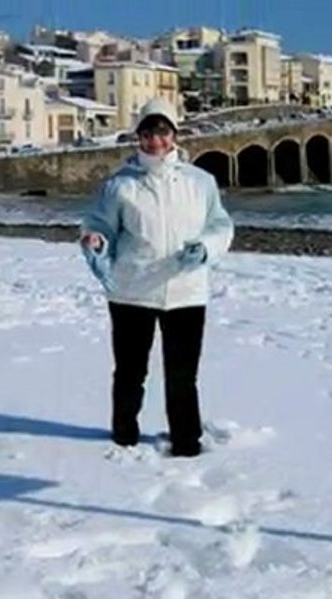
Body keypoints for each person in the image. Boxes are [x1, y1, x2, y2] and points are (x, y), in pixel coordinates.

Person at [80, 97, 234, 456]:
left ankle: (187, 442)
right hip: (132, 291)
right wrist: (96, 240)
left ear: (175, 134)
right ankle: (124, 438)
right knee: (130, 372)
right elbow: (100, 226)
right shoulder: (119, 185)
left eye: (162, 132)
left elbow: (221, 225)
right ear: (139, 137)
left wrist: (207, 248)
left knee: (183, 376)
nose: (155, 141)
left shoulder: (201, 182)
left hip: (186, 291)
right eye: (147, 133)